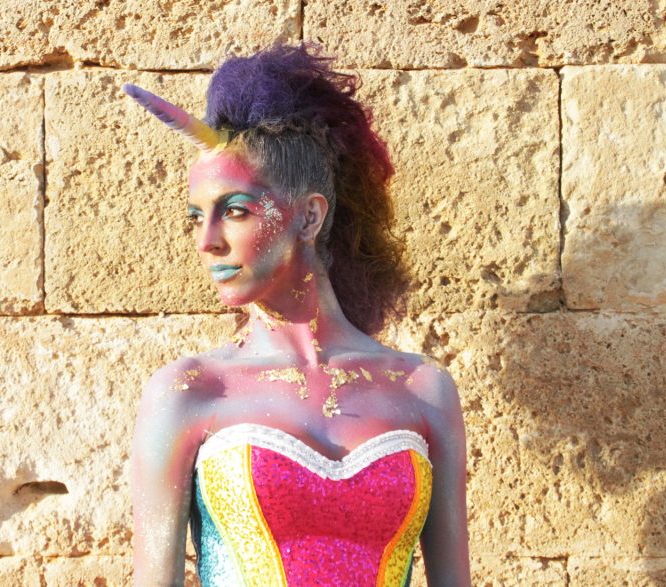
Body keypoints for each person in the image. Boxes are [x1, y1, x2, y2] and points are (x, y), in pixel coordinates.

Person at [125, 42, 471, 587]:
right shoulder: (188, 392)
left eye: (234, 210)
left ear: (308, 217)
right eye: (196, 217)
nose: (206, 241)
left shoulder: (422, 389)